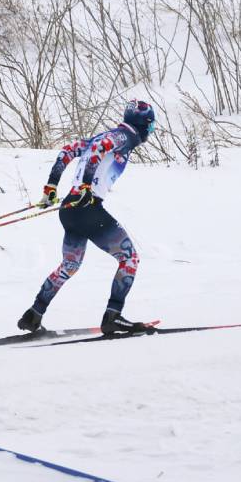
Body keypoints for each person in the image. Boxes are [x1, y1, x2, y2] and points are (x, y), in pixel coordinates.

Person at [18, 100, 156, 335]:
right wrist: (85, 185)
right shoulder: (126, 136)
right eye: (151, 127)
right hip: (88, 206)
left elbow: (68, 150)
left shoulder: (110, 135)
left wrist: (51, 186)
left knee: (70, 265)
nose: (150, 133)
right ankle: (113, 317)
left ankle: (34, 314)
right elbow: (99, 147)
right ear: (143, 124)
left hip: (70, 207)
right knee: (129, 258)